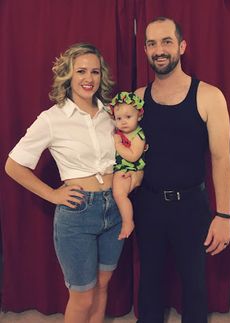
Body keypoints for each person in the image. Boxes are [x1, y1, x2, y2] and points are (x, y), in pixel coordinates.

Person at [5, 43, 141, 323]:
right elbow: (13, 165)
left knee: (103, 287)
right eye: (80, 71)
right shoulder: (52, 119)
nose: (88, 78)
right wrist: (52, 194)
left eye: (94, 71)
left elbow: (129, 156)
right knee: (83, 296)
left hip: (115, 209)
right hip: (78, 213)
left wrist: (134, 178)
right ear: (67, 74)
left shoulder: (110, 115)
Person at [134, 17, 230, 323]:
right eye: (152, 43)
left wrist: (224, 215)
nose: (159, 50)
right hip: (148, 205)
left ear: (181, 46)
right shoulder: (137, 99)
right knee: (148, 285)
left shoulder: (209, 96)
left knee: (195, 288)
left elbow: (221, 159)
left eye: (166, 42)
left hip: (192, 206)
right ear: (146, 50)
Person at [107, 91, 146, 240]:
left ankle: (128, 222)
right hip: (120, 168)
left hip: (129, 169)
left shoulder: (138, 135)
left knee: (119, 194)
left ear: (139, 116)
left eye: (128, 117)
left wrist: (117, 144)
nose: (123, 122)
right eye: (119, 118)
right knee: (117, 194)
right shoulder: (121, 131)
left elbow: (133, 155)